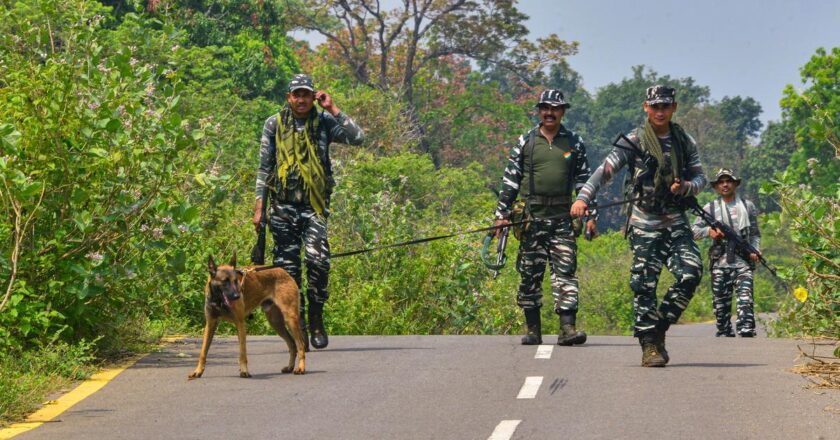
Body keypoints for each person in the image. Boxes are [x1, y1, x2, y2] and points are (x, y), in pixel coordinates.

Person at [570, 85, 707, 367]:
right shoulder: (634, 141)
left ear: (674, 108)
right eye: (654, 106)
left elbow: (701, 178)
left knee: (691, 273)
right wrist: (583, 198)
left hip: (676, 220)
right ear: (646, 107)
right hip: (644, 222)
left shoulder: (684, 140)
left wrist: (687, 188)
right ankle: (649, 346)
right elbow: (604, 171)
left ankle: (658, 328)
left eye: (665, 106)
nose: (660, 111)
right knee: (644, 285)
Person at [253, 74, 364, 350]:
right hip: (282, 208)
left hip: (314, 208)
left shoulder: (324, 122)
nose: (301, 100)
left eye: (306, 94)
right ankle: (298, 326)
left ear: (313, 96)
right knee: (288, 272)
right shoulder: (273, 124)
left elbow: (358, 138)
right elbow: (264, 168)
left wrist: (333, 108)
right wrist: (259, 208)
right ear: (288, 97)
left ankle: (316, 318)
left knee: (318, 262)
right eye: (296, 95)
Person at [494, 89, 598, 347]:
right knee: (529, 274)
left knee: (565, 273)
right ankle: (533, 330)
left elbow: (585, 182)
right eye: (545, 108)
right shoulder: (526, 141)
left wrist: (590, 214)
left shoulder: (574, 142)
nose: (549, 113)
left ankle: (567, 329)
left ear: (563, 111)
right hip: (532, 219)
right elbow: (510, 181)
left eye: (555, 108)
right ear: (539, 111)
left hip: (563, 218)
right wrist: (501, 215)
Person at [692, 168, 761, 337]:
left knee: (745, 300)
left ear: (735, 184)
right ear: (716, 187)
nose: (725, 184)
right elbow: (693, 230)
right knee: (721, 308)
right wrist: (709, 231)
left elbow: (754, 234)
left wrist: (755, 251)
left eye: (728, 181)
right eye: (721, 182)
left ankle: (746, 330)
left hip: (743, 263)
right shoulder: (710, 208)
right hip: (719, 263)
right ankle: (724, 331)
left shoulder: (747, 206)